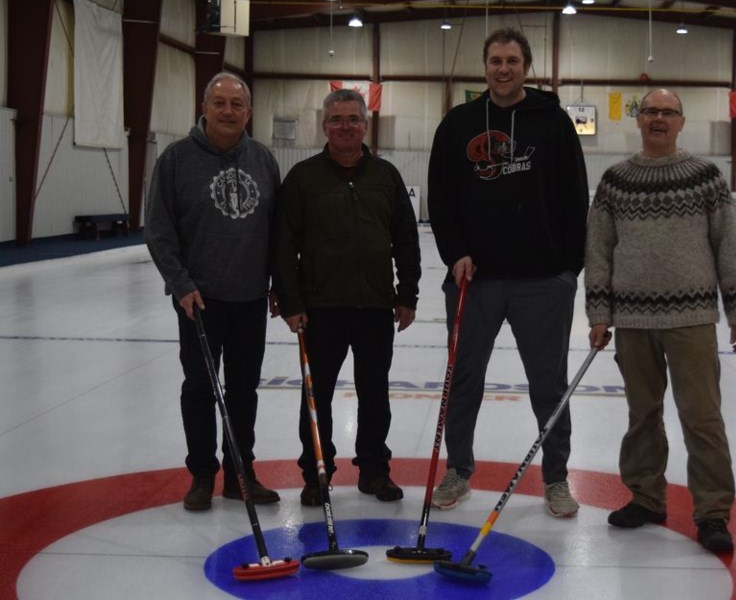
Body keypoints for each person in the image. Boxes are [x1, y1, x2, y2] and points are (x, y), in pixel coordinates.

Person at [584, 88, 736, 553]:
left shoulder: (706, 178)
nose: (658, 118)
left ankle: (713, 512)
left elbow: (730, 244)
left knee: (702, 418)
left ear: (681, 122)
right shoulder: (615, 181)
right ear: (638, 120)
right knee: (642, 415)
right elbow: (599, 251)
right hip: (633, 321)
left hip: (692, 318)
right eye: (650, 111)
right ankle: (646, 497)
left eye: (668, 112)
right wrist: (599, 312)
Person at [427, 27, 590, 518]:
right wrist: (454, 253)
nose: (503, 69)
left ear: (526, 66)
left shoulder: (553, 122)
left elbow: (574, 197)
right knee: (464, 380)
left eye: (512, 61)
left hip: (543, 281)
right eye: (495, 60)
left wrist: (567, 269)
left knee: (548, 385)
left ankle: (557, 478)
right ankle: (458, 470)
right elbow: (441, 198)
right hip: (475, 280)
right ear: (485, 67)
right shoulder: (457, 124)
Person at [273, 89, 421, 504]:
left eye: (353, 119)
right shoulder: (303, 178)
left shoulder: (386, 176)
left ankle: (374, 471)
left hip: (375, 306)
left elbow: (406, 240)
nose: (345, 126)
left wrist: (406, 293)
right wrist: (292, 302)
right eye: (337, 119)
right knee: (316, 397)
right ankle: (317, 472)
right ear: (324, 126)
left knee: (375, 394)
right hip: (321, 309)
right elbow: (284, 245)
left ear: (365, 125)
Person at [145, 72, 281, 511]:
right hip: (198, 302)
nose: (227, 111)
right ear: (204, 107)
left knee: (243, 391)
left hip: (249, 298)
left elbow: (278, 231)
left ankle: (241, 474)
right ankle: (202, 476)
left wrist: (279, 283)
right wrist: (181, 285)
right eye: (219, 103)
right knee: (201, 389)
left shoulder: (263, 159)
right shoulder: (176, 159)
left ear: (249, 113)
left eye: (236, 104)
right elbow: (160, 230)